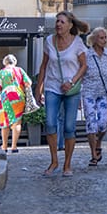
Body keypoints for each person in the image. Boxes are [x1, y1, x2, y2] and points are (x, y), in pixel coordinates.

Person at [36, 11, 89, 177]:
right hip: (52, 86)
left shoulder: (78, 43)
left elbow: (84, 66)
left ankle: (67, 164)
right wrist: (39, 88)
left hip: (71, 89)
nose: (58, 24)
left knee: (69, 127)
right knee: (50, 123)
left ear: (70, 25)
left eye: (62, 22)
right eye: (57, 21)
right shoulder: (49, 41)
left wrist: (72, 82)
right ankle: (54, 161)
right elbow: (44, 65)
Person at [83, 26, 107, 167]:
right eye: (101, 37)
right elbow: (81, 73)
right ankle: (93, 153)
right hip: (88, 92)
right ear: (94, 39)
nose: (104, 40)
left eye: (105, 37)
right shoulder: (86, 55)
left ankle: (99, 142)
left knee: (103, 124)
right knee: (91, 124)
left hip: (104, 93)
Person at [0, 54, 32, 153]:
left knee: (5, 122)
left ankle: (5, 146)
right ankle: (14, 146)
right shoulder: (20, 70)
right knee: (17, 122)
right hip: (18, 97)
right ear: (14, 62)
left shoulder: (2, 72)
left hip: (6, 98)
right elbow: (28, 82)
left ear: (5, 62)